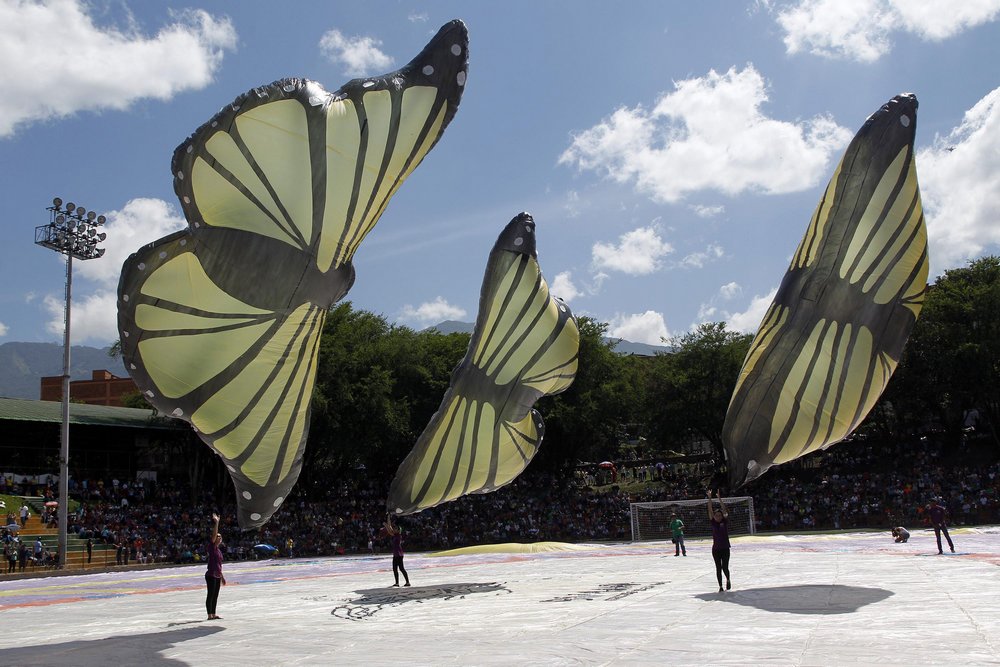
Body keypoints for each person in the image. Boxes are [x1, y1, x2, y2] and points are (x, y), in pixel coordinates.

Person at [706, 490, 731, 592]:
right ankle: (720, 586)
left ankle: (728, 579)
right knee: (718, 568)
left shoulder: (724, 522)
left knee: (725, 567)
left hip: (725, 548)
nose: (718, 517)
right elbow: (710, 509)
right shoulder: (713, 522)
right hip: (716, 549)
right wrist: (710, 498)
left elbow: (724, 510)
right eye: (716, 516)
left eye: (719, 515)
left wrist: (719, 498)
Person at [205, 513, 226, 620]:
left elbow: (220, 565)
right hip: (211, 574)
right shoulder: (212, 547)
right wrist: (217, 522)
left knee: (216, 595)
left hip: (217, 575)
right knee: (211, 594)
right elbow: (214, 535)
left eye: (220, 537)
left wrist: (222, 577)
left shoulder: (219, 551)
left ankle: (213, 613)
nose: (219, 537)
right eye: (218, 536)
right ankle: (209, 615)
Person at [383, 517, 410, 587]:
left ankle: (407, 582)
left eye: (395, 529)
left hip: (399, 554)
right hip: (396, 554)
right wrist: (388, 517)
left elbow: (389, 529)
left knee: (401, 568)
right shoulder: (395, 535)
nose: (394, 529)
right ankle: (397, 583)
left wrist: (386, 525)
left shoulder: (398, 536)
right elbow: (390, 527)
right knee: (395, 569)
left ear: (398, 530)